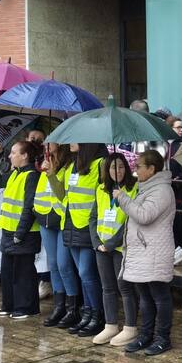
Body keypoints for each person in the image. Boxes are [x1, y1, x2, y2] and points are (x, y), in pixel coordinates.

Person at [116, 150, 176, 356]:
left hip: (154, 253)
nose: (135, 169)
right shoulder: (146, 188)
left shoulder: (161, 190)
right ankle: (145, 334)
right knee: (144, 295)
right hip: (142, 252)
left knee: (159, 295)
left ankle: (162, 337)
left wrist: (123, 199)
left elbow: (144, 215)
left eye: (139, 166)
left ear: (152, 169)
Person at [53, 143, 107, 334]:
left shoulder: (101, 163)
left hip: (89, 227)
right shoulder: (71, 165)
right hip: (71, 225)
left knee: (86, 273)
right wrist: (52, 175)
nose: (71, 143)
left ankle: (98, 315)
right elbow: (63, 196)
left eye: (76, 139)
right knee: (83, 275)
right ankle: (88, 314)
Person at [0, 140, 43, 319]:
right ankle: (9, 304)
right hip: (8, 231)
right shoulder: (14, 173)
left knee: (23, 272)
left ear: (25, 155)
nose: (10, 156)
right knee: (8, 271)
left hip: (24, 233)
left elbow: (29, 206)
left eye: (13, 153)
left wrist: (20, 232)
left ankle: (27, 307)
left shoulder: (32, 176)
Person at [89, 153, 138, 344]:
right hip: (101, 246)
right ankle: (110, 325)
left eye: (120, 167)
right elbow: (93, 217)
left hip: (120, 247)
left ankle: (130, 327)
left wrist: (111, 243)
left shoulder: (133, 189)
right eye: (112, 167)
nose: (116, 171)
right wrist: (96, 242)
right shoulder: (101, 189)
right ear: (106, 170)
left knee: (124, 287)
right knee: (107, 287)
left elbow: (130, 221)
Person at [40, 143, 75, 327]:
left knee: (64, 265)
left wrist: (51, 173)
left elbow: (62, 194)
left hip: (62, 220)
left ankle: (72, 307)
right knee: (53, 264)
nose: (47, 144)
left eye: (51, 141)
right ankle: (59, 306)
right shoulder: (45, 161)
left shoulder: (68, 166)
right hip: (45, 219)